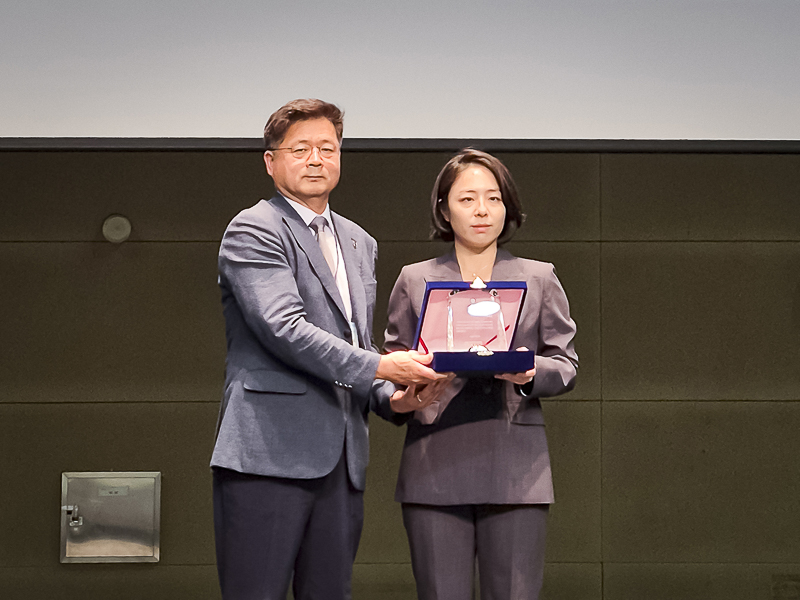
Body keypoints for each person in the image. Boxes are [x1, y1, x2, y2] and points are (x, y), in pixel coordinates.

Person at [210, 98, 447, 600]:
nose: (316, 159)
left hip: (342, 459)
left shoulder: (360, 241)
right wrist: (383, 366)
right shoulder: (254, 228)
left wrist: (393, 397)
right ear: (271, 161)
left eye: (327, 148)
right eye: (300, 149)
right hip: (268, 454)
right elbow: (284, 329)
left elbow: (355, 341)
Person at [379, 148, 579, 600]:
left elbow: (566, 365)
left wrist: (527, 370)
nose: (482, 210)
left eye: (493, 198)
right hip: (434, 463)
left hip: (516, 467)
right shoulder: (414, 279)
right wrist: (408, 388)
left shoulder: (539, 277)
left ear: (508, 207)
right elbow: (391, 366)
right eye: (467, 199)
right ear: (444, 209)